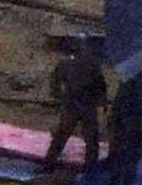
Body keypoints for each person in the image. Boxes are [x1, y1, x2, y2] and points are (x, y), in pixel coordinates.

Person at [45, 32, 108, 175]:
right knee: (64, 137)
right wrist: (59, 96)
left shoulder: (90, 66)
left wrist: (101, 105)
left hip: (84, 106)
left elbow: (101, 88)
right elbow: (55, 81)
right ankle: (49, 164)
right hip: (75, 106)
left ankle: (89, 169)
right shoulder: (69, 64)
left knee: (89, 140)